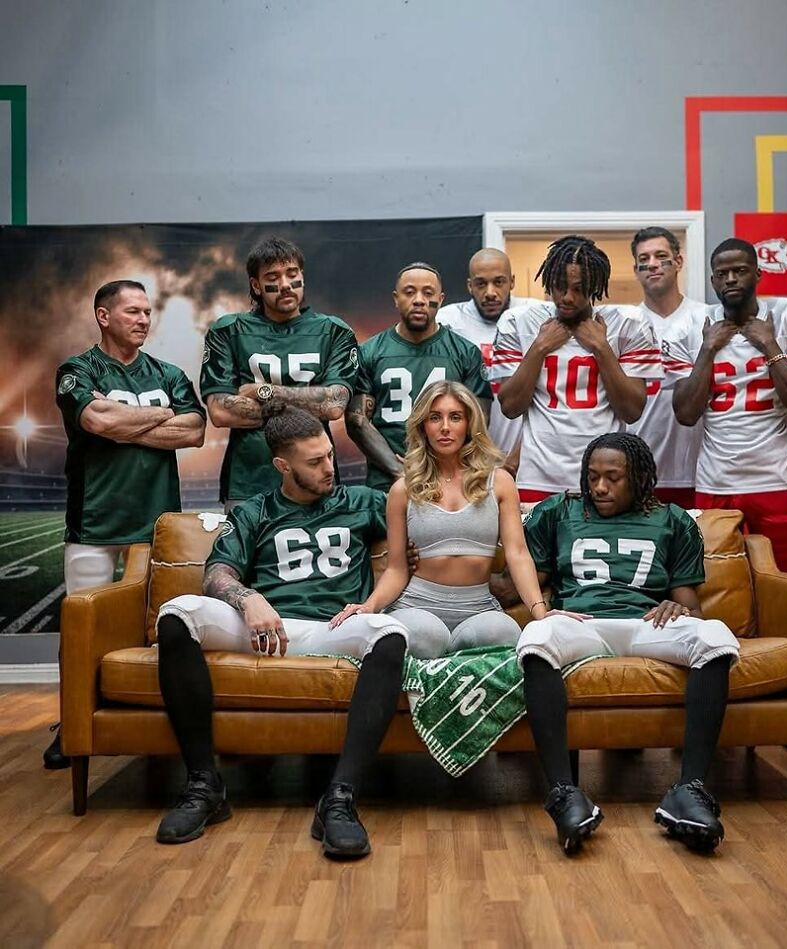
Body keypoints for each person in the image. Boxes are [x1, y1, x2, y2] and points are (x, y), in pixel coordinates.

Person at [154, 409, 420, 858]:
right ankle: (204, 784)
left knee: (391, 632)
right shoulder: (256, 511)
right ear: (283, 466)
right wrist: (246, 598)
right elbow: (216, 573)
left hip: (331, 629)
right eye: (314, 462)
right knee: (177, 612)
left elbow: (423, 519)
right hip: (264, 627)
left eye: (330, 456)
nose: (328, 468)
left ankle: (339, 798)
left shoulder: (362, 501)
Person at [495, 433, 740, 855]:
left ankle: (690, 789)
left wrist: (677, 607)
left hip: (647, 622)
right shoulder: (560, 511)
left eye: (613, 478)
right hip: (582, 622)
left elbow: (690, 606)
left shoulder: (673, 519)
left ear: (640, 479)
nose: (600, 488)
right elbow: (513, 585)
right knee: (535, 637)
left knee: (715, 637)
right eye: (592, 477)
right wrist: (460, 562)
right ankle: (563, 792)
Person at [47, 280, 206, 769]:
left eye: (146, 312)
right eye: (132, 311)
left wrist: (129, 418)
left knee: (152, 629)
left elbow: (196, 430)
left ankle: (151, 714)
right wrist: (160, 418)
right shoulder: (77, 370)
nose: (143, 319)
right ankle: (71, 721)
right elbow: (96, 422)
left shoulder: (169, 372)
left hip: (155, 523)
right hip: (94, 521)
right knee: (82, 629)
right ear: (103, 316)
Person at [333, 381, 559, 651]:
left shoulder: (499, 482)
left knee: (503, 633)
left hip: (478, 607)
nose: (445, 427)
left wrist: (541, 614)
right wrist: (369, 607)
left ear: (469, 424)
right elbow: (396, 568)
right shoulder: (403, 489)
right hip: (417, 606)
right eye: (434, 417)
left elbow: (518, 554)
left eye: (455, 417)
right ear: (422, 426)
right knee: (426, 636)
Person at [667, 238, 787, 574]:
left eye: (740, 270)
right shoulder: (692, 329)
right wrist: (707, 350)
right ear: (713, 281)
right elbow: (685, 414)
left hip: (773, 480)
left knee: (784, 582)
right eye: (722, 273)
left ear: (758, 274)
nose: (731, 279)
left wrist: (768, 344)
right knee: (714, 581)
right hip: (715, 482)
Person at [492, 235, 662, 504]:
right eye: (560, 286)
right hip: (537, 474)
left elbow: (632, 411)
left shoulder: (627, 324)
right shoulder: (519, 322)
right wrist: (539, 348)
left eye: (579, 288)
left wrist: (602, 349)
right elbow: (510, 407)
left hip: (603, 479)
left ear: (596, 285)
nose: (567, 297)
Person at [201, 237, 359, 510]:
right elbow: (220, 411)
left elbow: (333, 405)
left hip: (315, 478)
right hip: (248, 480)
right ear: (256, 285)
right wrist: (309, 403)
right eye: (273, 276)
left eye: (292, 274)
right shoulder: (228, 330)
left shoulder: (334, 331)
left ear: (302, 277)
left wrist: (264, 391)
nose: (285, 284)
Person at [345, 262, 493, 491]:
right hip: (386, 483)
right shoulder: (370, 352)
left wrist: (449, 471)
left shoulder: (465, 353)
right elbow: (357, 422)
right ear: (396, 298)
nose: (419, 300)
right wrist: (398, 472)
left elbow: (479, 422)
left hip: (448, 482)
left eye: (428, 292)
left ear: (441, 299)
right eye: (409, 292)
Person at [625, 227, 706, 508]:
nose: (653, 264)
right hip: (638, 471)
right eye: (644, 258)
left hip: (700, 469)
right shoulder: (625, 324)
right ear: (636, 269)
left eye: (661, 256)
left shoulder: (705, 318)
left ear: (679, 262)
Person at [436, 248, 544, 458]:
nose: (490, 292)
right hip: (464, 455)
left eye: (499, 282)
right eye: (481, 284)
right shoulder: (447, 321)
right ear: (470, 286)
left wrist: (518, 456)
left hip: (526, 455)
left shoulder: (535, 316)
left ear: (512, 282)